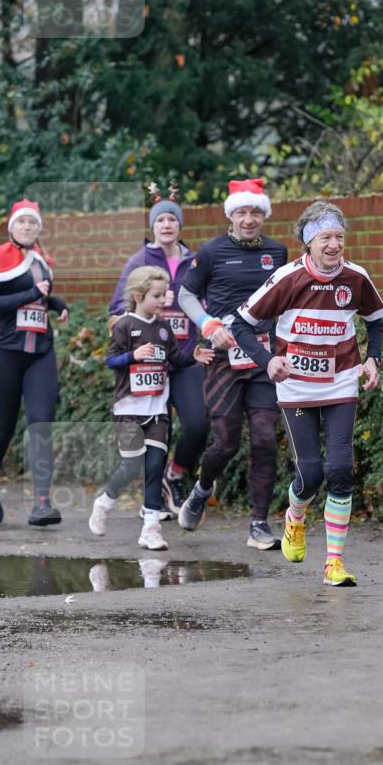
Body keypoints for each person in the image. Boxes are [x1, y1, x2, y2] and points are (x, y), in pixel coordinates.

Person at [231, 200, 383, 586]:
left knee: (339, 470)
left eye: (339, 237)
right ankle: (295, 516)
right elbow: (241, 324)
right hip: (296, 386)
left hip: (341, 381)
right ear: (307, 242)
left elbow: (377, 322)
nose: (333, 245)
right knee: (311, 473)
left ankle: (334, 563)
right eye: (325, 238)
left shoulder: (355, 277)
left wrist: (373, 360)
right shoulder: (287, 278)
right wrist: (268, 361)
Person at [177, 178, 288, 549]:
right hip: (224, 358)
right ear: (231, 215)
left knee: (264, 440)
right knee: (224, 443)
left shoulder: (278, 251)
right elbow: (187, 293)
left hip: (263, 359)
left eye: (256, 212)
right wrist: (207, 325)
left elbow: (286, 301)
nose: (249, 219)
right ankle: (202, 488)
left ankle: (259, 524)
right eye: (242, 212)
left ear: (264, 215)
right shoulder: (211, 252)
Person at [88, 266, 213, 551]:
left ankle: (151, 529)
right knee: (132, 465)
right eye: (157, 295)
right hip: (129, 409)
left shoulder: (163, 327)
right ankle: (105, 502)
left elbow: (174, 360)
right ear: (138, 295)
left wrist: (192, 357)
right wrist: (133, 355)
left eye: (164, 294)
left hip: (157, 408)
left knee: (155, 467)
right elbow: (110, 361)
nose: (163, 299)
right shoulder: (123, 325)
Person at [108, 183, 209, 518]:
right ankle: (151, 504)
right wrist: (142, 330)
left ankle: (175, 476)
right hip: (149, 364)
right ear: (152, 225)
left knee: (197, 424)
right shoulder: (139, 261)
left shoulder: (195, 262)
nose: (167, 225)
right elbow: (115, 313)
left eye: (172, 219)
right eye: (161, 220)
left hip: (186, 360)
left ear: (180, 225)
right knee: (155, 434)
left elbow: (206, 305)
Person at [0, 199, 69, 527]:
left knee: (41, 424)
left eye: (32, 223)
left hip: (40, 352)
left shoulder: (43, 259)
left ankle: (41, 503)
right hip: (5, 353)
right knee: (0, 429)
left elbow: (40, 294)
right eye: (21, 222)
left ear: (39, 228)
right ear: (12, 227)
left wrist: (55, 303)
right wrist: (31, 295)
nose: (27, 227)